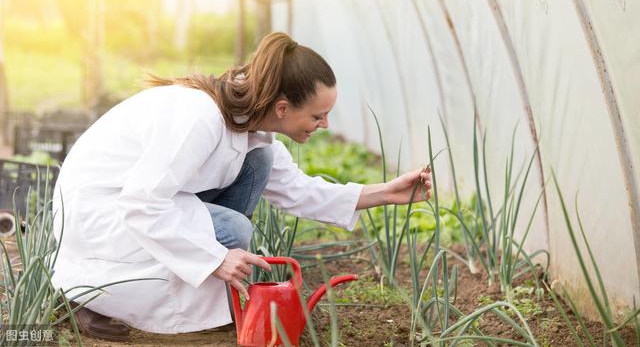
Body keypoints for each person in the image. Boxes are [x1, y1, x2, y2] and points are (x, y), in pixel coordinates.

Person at [51, 32, 432, 341]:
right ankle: (100, 295)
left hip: (143, 203)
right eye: (318, 115)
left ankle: (209, 295)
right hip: (101, 216)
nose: (325, 125)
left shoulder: (252, 126)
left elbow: (299, 191)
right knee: (233, 231)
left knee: (258, 165)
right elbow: (141, 203)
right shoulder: (199, 118)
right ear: (282, 107)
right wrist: (215, 257)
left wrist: (386, 193)